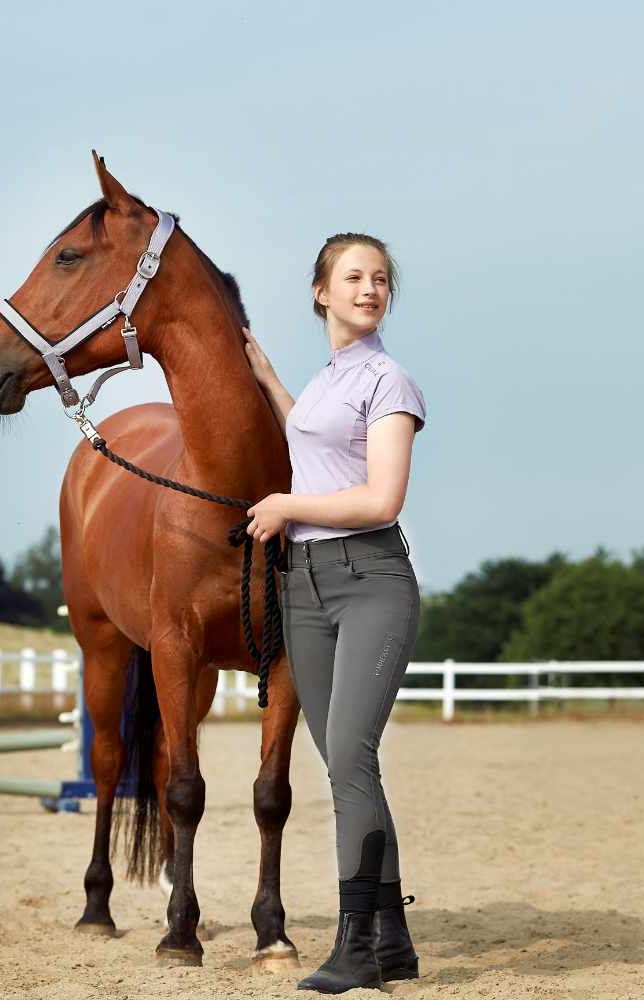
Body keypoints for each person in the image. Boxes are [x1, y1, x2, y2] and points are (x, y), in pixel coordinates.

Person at [243, 232, 426, 993]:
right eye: (353, 277)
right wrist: (269, 380)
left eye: (379, 279)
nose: (369, 288)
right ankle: (393, 943)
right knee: (341, 762)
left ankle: (355, 948)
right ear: (321, 292)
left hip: (370, 579)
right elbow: (309, 436)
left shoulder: (389, 381)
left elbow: (381, 498)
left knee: (351, 756)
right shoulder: (325, 385)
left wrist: (286, 503)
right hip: (306, 589)